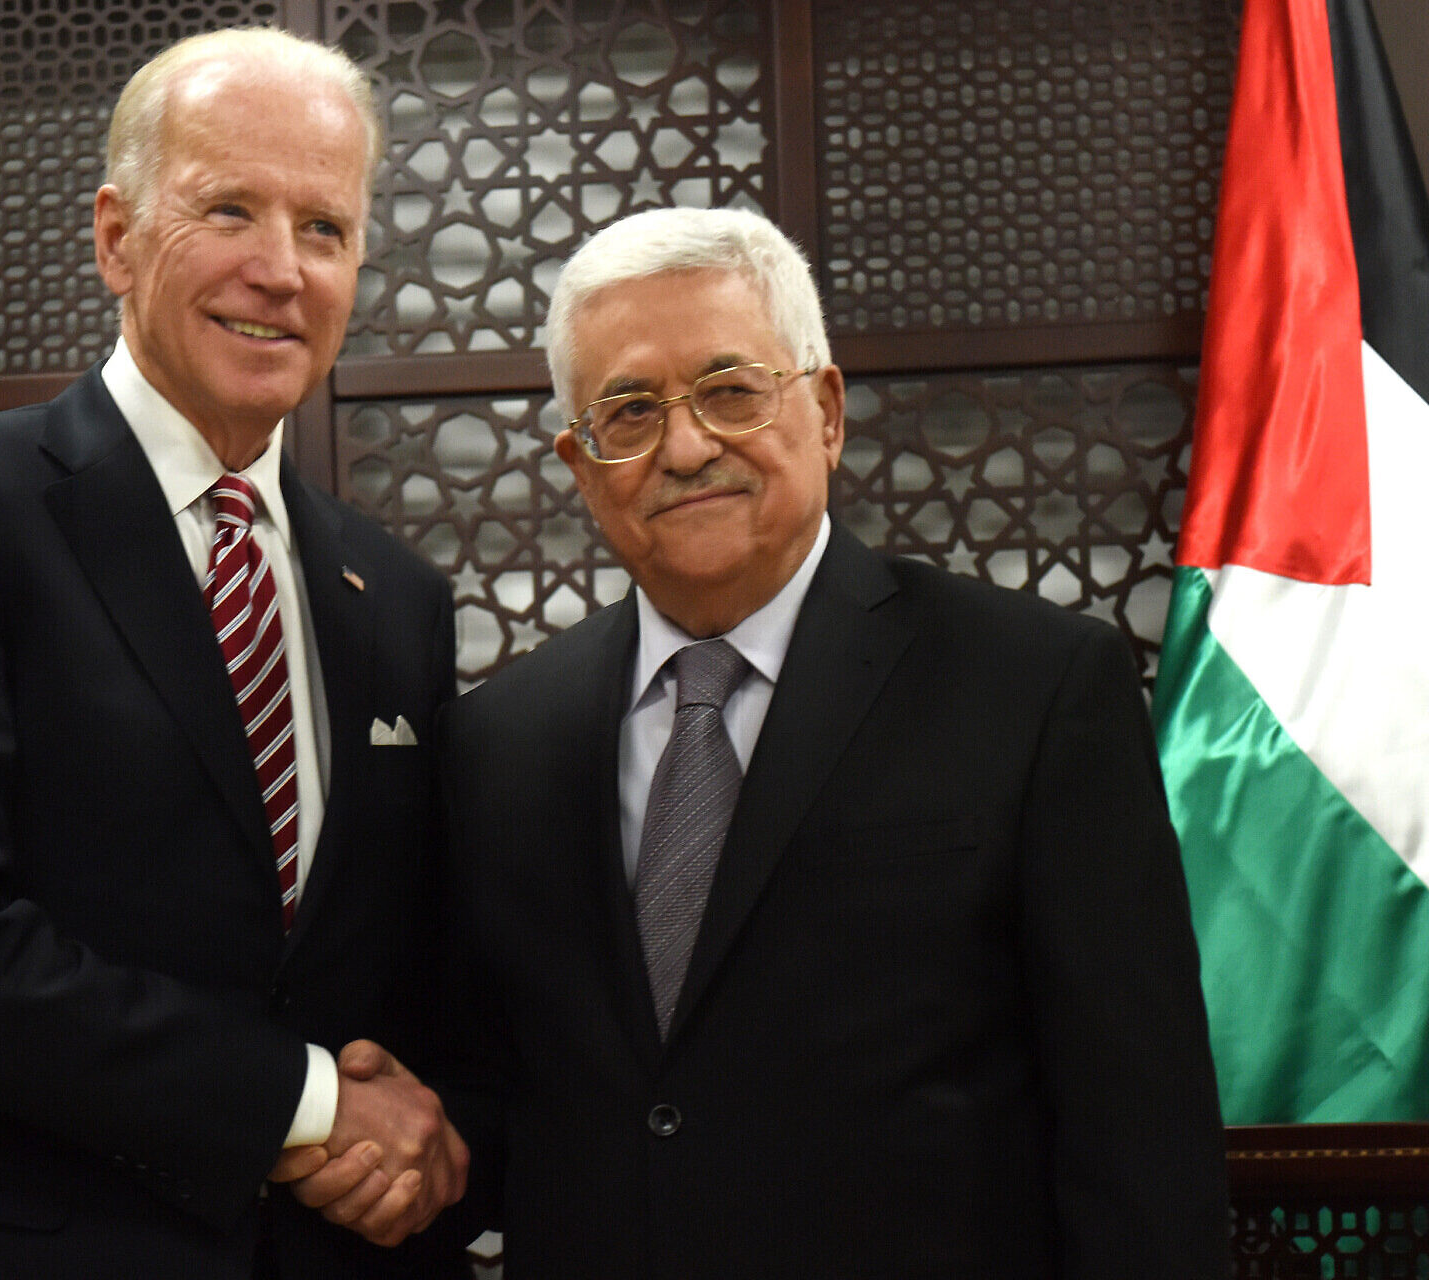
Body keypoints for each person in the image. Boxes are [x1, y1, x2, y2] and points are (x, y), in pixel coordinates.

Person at [403, 206, 1226, 1275]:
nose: (688, 445)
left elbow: (1138, 1130)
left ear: (826, 409)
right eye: (630, 411)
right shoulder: (498, 738)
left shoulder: (1032, 687)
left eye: (730, 390)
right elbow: (499, 1089)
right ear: (579, 459)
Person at [0, 27, 469, 1279]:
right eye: (229, 209)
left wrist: (429, 1140)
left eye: (323, 228)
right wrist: (309, 1101)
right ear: (115, 237)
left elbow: (411, 973)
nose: (279, 269)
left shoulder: (396, 594)